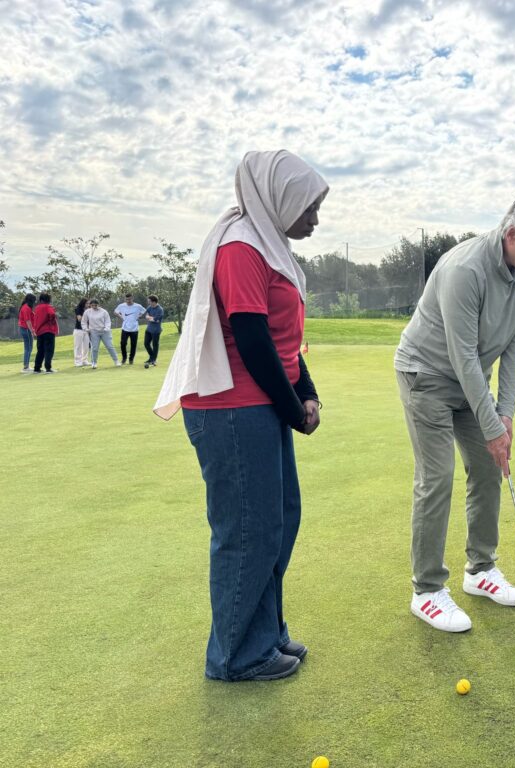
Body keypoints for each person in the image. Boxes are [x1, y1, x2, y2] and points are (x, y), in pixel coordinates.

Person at [154, 150, 327, 682]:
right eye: (309, 207)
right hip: (230, 408)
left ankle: (264, 634)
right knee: (249, 530)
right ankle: (237, 656)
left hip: (258, 404)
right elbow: (252, 340)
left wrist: (307, 392)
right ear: (279, 198)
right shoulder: (240, 247)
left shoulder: (271, 248)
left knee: (280, 520)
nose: (315, 219)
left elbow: (284, 340)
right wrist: (293, 409)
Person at [394, 193, 515, 633]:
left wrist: (505, 414)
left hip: (471, 378)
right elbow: (463, 354)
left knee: (491, 468)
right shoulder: (464, 269)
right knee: (437, 477)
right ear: (511, 234)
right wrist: (491, 425)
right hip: (426, 374)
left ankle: (481, 569)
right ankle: (427, 590)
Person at [82, 299, 121, 368]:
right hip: (94, 332)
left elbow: (108, 321)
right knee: (94, 348)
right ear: (90, 305)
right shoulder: (87, 312)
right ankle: (94, 362)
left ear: (98, 304)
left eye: (95, 305)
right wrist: (86, 329)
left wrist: (106, 328)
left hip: (105, 331)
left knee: (110, 346)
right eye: (92, 305)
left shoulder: (104, 312)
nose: (94, 307)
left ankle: (116, 361)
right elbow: (83, 322)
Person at [115, 294, 147, 365]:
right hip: (125, 328)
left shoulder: (138, 306)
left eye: (129, 299)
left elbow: (144, 311)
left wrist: (139, 316)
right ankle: (124, 358)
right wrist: (121, 317)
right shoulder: (121, 306)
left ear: (132, 298)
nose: (128, 301)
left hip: (134, 329)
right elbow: (115, 312)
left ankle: (131, 359)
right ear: (125, 299)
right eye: (127, 299)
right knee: (123, 343)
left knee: (133, 345)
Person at [32, 293, 59, 374]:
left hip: (39, 331)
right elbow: (52, 315)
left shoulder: (36, 308)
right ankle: (48, 368)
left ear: (41, 300)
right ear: (49, 300)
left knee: (40, 350)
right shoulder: (48, 307)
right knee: (49, 350)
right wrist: (52, 322)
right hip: (48, 331)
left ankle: (37, 368)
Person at [143, 294, 165, 368]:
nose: (148, 303)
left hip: (156, 330)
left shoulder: (160, 309)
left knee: (155, 345)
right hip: (148, 329)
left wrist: (151, 318)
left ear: (154, 302)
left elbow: (156, 320)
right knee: (146, 344)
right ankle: (152, 358)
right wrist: (151, 318)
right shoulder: (149, 307)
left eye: (149, 301)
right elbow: (146, 316)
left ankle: (153, 360)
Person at [17, 294, 36, 373]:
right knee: (28, 348)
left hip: (25, 329)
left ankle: (26, 366)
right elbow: (28, 321)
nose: (34, 302)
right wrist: (32, 331)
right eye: (34, 300)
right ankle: (26, 366)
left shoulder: (25, 307)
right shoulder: (26, 308)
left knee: (28, 347)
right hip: (26, 329)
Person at [73, 298, 91, 367]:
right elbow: (79, 319)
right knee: (78, 346)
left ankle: (84, 361)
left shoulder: (89, 310)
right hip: (78, 330)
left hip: (86, 330)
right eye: (87, 303)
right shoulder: (78, 309)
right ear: (83, 303)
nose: (88, 305)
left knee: (86, 346)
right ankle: (77, 362)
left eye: (89, 303)